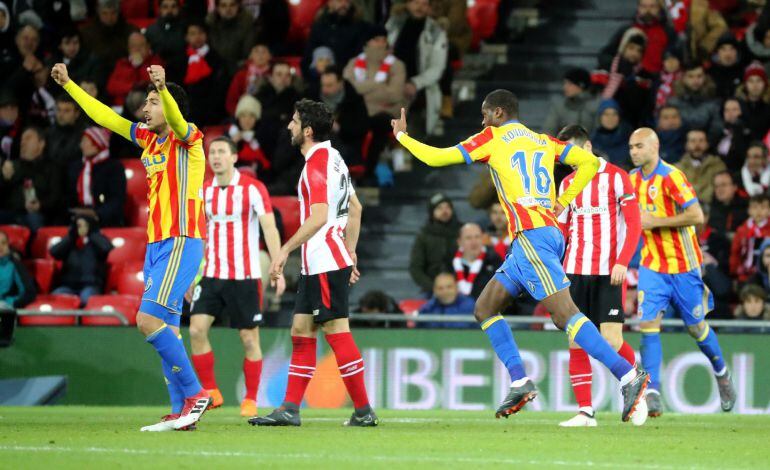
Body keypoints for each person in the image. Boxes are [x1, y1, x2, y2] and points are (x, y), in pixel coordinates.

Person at [392, 89, 649, 423]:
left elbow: (436, 158)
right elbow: (588, 162)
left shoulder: (492, 138)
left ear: (499, 113)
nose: (482, 120)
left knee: (565, 315)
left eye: (485, 114)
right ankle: (520, 381)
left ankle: (629, 376)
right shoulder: (542, 140)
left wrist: (402, 137)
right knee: (484, 307)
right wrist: (564, 200)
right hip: (539, 236)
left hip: (532, 237)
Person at [51, 62, 211, 431]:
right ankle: (180, 413)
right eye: (147, 102)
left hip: (181, 239)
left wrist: (164, 90)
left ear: (169, 106)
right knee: (167, 329)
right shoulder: (148, 139)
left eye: (152, 102)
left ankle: (194, 394)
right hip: (156, 244)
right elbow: (106, 117)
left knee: (146, 320)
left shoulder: (189, 139)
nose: (145, 109)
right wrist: (71, 86)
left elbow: (176, 117)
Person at [249, 99, 378, 427]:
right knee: (301, 329)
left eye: (293, 122)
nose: (289, 126)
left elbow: (319, 216)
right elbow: (357, 208)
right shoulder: (335, 158)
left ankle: (363, 411)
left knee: (336, 331)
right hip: (324, 260)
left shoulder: (317, 164)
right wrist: (350, 252)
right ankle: (290, 409)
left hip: (322, 260)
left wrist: (284, 250)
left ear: (307, 130)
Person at [628, 127, 735, 418]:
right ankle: (652, 392)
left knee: (696, 328)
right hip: (652, 266)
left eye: (639, 146)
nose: (634, 151)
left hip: (684, 266)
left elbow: (697, 215)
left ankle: (722, 373)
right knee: (647, 324)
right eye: (631, 147)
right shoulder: (631, 180)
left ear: (654, 146)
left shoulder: (672, 176)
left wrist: (657, 222)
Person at [189, 136, 286, 418]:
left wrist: (277, 265)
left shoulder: (253, 189)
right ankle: (211, 391)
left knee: (249, 339)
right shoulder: (204, 191)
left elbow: (269, 227)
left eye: (221, 152)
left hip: (245, 276)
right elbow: (198, 236)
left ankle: (251, 399)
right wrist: (192, 275)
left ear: (234, 157)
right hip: (211, 274)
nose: (216, 157)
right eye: (212, 153)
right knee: (195, 330)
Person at [555, 124, 642, 427]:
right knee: (576, 341)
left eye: (573, 153)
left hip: (609, 272)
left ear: (588, 147)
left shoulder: (618, 177)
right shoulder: (567, 183)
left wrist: (623, 262)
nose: (571, 161)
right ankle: (585, 412)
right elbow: (562, 229)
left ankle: (637, 381)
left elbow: (634, 225)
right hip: (575, 272)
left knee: (611, 340)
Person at [343, 25, 407, 182]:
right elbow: (348, 90)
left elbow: (394, 94)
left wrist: (362, 91)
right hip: (358, 114)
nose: (381, 43)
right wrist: (378, 85)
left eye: (384, 40)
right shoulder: (353, 64)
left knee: (378, 125)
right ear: (366, 43)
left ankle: (368, 173)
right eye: (376, 40)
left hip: (385, 114)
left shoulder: (396, 65)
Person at [387, 0, 448, 136]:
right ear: (407, 4)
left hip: (420, 90)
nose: (419, 7)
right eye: (416, 2)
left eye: (424, 4)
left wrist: (415, 83)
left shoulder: (436, 32)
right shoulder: (393, 25)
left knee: (414, 132)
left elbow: (437, 68)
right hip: (390, 85)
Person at [0, 126, 62, 231]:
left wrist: (40, 205)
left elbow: (55, 197)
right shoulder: (12, 166)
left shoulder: (52, 168)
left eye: (28, 138)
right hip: (11, 212)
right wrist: (4, 179)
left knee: (34, 220)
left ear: (41, 144)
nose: (23, 143)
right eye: (22, 139)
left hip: (37, 214)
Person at [66, 126, 127, 227]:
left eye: (85, 142)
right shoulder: (76, 167)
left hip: (105, 220)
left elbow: (117, 200)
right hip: (77, 217)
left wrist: (96, 214)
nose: (81, 146)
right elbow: (68, 196)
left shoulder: (114, 168)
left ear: (97, 144)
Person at [598, 0, 676, 75]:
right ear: (638, 8)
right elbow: (604, 55)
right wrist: (621, 66)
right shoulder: (627, 30)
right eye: (644, 6)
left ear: (659, 8)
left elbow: (674, 56)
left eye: (652, 6)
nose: (648, 10)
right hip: (629, 80)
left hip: (658, 81)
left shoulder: (668, 32)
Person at [49, 214, 112, 306]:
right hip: (68, 286)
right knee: (56, 298)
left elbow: (106, 248)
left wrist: (90, 233)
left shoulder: (97, 239)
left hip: (90, 285)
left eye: (85, 225)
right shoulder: (70, 241)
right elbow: (54, 252)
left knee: (86, 299)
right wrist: (71, 236)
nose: (81, 228)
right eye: (78, 225)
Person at [315, 66, 370, 168]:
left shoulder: (355, 102)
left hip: (347, 147)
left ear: (341, 83)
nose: (324, 89)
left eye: (329, 85)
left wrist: (339, 129)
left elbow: (362, 129)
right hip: (318, 145)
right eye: (323, 85)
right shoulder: (313, 99)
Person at [409, 192, 461, 294]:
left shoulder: (462, 231)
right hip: (431, 290)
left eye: (447, 207)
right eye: (439, 208)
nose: (444, 211)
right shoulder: (424, 235)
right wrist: (433, 287)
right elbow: (415, 268)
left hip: (461, 287)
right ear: (432, 212)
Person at [106, 32, 164, 106]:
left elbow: (153, 84)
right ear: (129, 49)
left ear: (148, 47)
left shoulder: (156, 62)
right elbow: (111, 87)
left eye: (141, 45)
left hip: (146, 106)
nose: (137, 49)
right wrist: (132, 87)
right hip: (120, 107)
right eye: (133, 46)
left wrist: (140, 65)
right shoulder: (122, 63)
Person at [78, 0, 137, 71]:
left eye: (113, 13)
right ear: (98, 13)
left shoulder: (131, 31)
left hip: (125, 71)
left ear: (118, 13)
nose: (109, 18)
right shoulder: (86, 33)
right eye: (104, 13)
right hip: (97, 71)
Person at [675, 129, 726, 203]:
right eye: (693, 141)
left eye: (701, 140)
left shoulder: (718, 165)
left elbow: (719, 189)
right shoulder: (677, 168)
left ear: (707, 144)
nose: (697, 145)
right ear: (686, 145)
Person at [542, 67, 598, 136]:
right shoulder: (559, 106)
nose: (565, 87)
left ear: (581, 85)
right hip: (563, 145)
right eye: (565, 83)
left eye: (569, 84)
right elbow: (549, 131)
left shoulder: (596, 105)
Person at [206, 0, 256, 76]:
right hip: (213, 69)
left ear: (238, 6)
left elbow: (248, 52)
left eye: (232, 5)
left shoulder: (247, 23)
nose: (228, 9)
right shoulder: (210, 23)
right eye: (223, 5)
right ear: (218, 8)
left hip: (238, 69)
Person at [453, 223, 501, 300]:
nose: (474, 242)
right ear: (459, 242)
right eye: (468, 238)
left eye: (477, 237)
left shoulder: (494, 260)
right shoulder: (450, 263)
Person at [729, 194, 770, 283]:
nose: (759, 211)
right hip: (746, 273)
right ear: (749, 210)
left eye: (763, 207)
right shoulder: (742, 230)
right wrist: (734, 272)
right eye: (755, 207)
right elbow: (735, 252)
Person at [225, 43, 272, 116]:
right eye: (256, 51)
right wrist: (238, 116)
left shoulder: (275, 73)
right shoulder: (241, 75)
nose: (260, 55)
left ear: (269, 56)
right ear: (251, 56)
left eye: (263, 52)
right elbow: (231, 100)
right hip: (243, 114)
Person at [590, 99, 632, 168]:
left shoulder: (629, 141)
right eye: (606, 114)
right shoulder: (592, 143)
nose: (610, 118)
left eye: (614, 114)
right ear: (600, 117)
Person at [46, 93, 85, 168]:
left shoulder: (85, 135)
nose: (61, 114)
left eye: (66, 111)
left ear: (77, 113)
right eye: (59, 110)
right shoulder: (49, 132)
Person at [735, 61, 770, 141]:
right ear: (745, 84)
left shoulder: (768, 108)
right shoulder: (736, 106)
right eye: (751, 81)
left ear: (765, 84)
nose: (755, 85)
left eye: (759, 81)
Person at [0, 229, 35, 309]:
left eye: (3, 243)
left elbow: (29, 292)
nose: (0, 246)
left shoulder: (15, 264)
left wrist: (13, 302)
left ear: (8, 245)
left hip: (4, 306)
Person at [716, 97, 751, 174]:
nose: (730, 113)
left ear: (742, 111)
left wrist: (737, 131)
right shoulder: (719, 134)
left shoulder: (748, 135)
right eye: (726, 110)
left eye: (734, 109)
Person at [708, 33, 745, 100]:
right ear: (718, 52)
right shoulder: (710, 73)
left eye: (732, 49)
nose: (728, 53)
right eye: (723, 49)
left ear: (737, 52)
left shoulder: (743, 72)